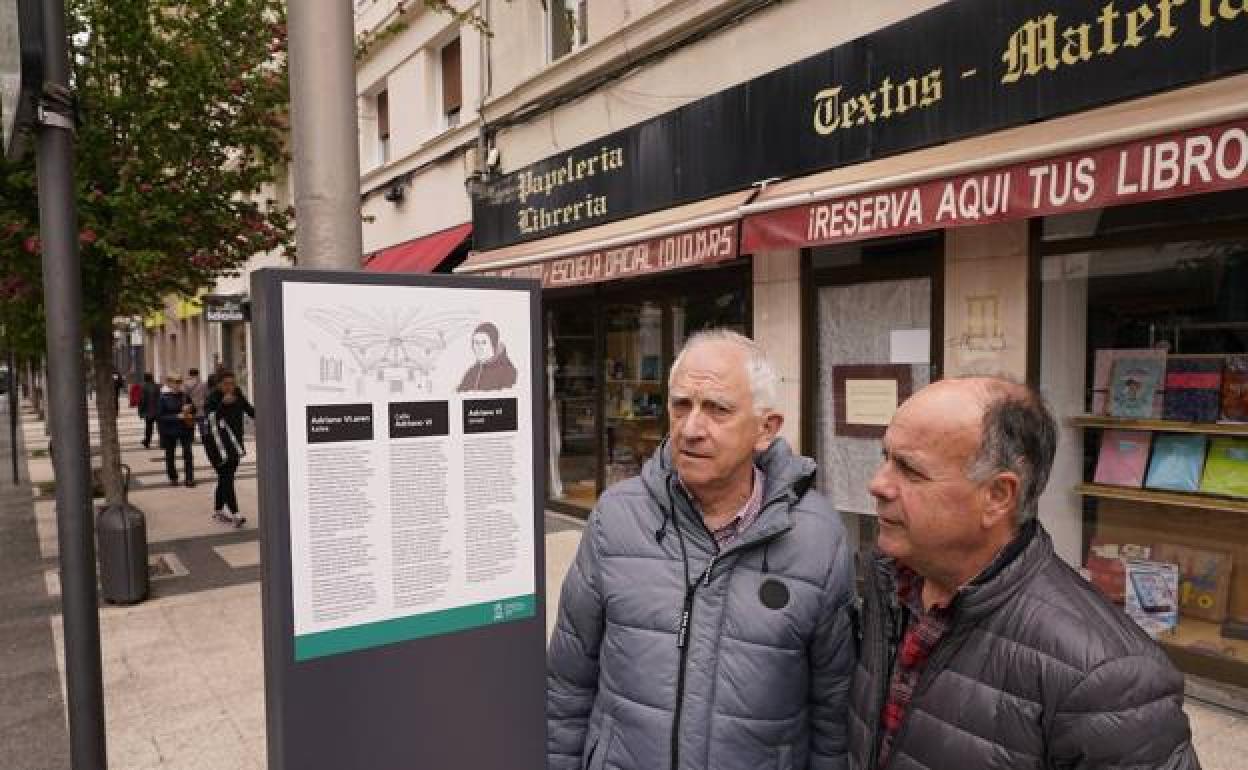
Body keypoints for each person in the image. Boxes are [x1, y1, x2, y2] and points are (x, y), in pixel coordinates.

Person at [849, 377, 1198, 770]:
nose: (877, 483)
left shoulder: (1110, 678)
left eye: (909, 470)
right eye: (886, 458)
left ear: (997, 496)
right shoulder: (889, 585)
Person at [547, 329, 855, 770]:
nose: (691, 429)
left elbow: (832, 717)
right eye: (681, 406)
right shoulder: (615, 518)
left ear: (766, 429)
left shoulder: (818, 538)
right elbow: (567, 685)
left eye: (717, 409)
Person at [203, 371, 254, 528]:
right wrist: (222, 405)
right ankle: (236, 514)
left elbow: (249, 410)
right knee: (226, 477)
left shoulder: (237, 393)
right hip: (216, 445)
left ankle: (218, 510)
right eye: (226, 384)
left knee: (226, 477)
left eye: (232, 383)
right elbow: (210, 419)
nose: (230, 387)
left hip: (234, 444)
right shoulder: (212, 398)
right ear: (218, 384)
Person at [156, 374, 196, 487]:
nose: (177, 384)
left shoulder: (185, 396)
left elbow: (194, 410)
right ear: (169, 383)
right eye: (174, 382)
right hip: (169, 431)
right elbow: (159, 417)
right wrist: (176, 417)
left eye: (179, 381)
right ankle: (173, 477)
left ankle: (189, 478)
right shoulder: (163, 398)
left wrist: (190, 409)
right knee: (170, 455)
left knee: (188, 454)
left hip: (185, 429)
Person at [456, 322, 517, 392]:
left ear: (494, 345)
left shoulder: (508, 372)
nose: (479, 347)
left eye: (484, 343)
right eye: (476, 343)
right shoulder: (472, 372)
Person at [137, 373, 161, 449]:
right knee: (160, 427)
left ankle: (147, 441)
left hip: (149, 411)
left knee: (148, 428)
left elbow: (142, 400)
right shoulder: (157, 386)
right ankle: (162, 441)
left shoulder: (143, 387)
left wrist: (140, 411)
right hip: (158, 410)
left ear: (145, 379)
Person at [184, 368, 208, 441]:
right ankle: (204, 438)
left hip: (190, 408)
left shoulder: (186, 384)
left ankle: (191, 439)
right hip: (201, 407)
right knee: (202, 425)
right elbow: (206, 395)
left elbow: (185, 396)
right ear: (198, 374)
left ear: (189, 374)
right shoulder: (203, 384)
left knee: (190, 425)